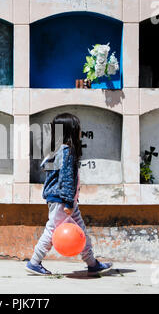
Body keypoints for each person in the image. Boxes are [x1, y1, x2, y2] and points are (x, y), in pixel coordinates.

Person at [26, 113, 113, 277]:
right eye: (78, 128)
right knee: (51, 231)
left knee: (81, 232)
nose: (80, 131)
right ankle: (34, 262)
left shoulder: (56, 151)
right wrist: (67, 202)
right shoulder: (66, 152)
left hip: (64, 200)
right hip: (62, 201)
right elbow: (66, 178)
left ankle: (92, 264)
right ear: (70, 131)